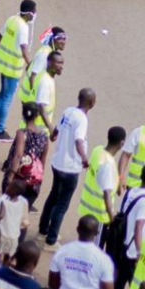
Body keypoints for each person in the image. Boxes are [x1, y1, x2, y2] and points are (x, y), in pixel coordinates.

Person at [40, 87, 96, 248]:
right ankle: (51, 239)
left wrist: (53, 134)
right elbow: (79, 141)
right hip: (70, 168)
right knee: (62, 204)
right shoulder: (82, 119)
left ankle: (42, 230)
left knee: (52, 196)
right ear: (91, 103)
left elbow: (57, 128)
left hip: (57, 163)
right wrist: (85, 158)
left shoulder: (69, 111)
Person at [0, 0, 37, 144]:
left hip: (2, 63)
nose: (35, 14)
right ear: (29, 13)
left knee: (2, 93)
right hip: (12, 67)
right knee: (8, 98)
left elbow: (0, 35)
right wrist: (31, 65)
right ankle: (0, 130)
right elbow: (24, 48)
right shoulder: (23, 27)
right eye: (34, 11)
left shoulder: (12, 19)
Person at [77, 125, 127, 243]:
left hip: (86, 209)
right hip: (99, 215)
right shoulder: (108, 164)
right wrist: (112, 218)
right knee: (95, 247)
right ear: (122, 143)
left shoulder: (97, 150)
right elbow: (107, 194)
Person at [1, 101, 50, 211]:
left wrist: (9, 178)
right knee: (22, 215)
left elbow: (18, 156)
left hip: (17, 180)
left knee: (6, 211)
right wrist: (38, 183)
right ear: (37, 116)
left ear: (23, 115)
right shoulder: (44, 137)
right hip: (32, 183)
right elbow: (42, 163)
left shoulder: (21, 133)